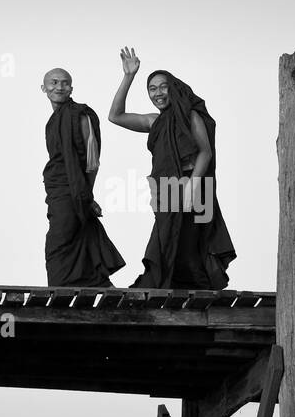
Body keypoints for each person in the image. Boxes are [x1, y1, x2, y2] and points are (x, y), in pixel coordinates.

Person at [108, 47, 235, 289]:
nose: (158, 93)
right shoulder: (154, 121)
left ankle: (203, 295)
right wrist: (129, 77)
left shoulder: (190, 116)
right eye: (152, 89)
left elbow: (205, 152)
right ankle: (170, 291)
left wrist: (191, 189)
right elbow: (115, 116)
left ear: (173, 88)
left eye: (163, 87)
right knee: (166, 242)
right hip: (166, 190)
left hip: (196, 187)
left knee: (190, 245)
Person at [41, 67, 126, 287]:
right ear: (44, 88)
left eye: (65, 83)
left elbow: (92, 161)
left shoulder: (81, 114)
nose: (59, 87)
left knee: (58, 245)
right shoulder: (53, 121)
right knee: (79, 237)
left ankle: (60, 297)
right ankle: (99, 284)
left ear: (71, 88)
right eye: (54, 82)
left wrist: (86, 195)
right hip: (60, 190)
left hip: (75, 191)